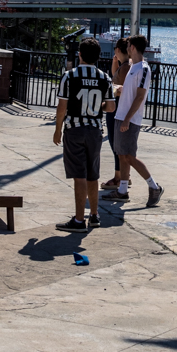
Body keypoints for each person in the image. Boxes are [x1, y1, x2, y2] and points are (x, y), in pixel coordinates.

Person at [53, 36, 116, 233]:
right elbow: (111, 107)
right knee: (93, 174)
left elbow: (62, 108)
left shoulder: (69, 76)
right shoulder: (105, 78)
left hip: (75, 129)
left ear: (79, 54)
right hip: (95, 130)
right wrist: (96, 106)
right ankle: (94, 215)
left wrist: (57, 129)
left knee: (79, 175)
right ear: (98, 57)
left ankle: (79, 220)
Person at [102, 34, 163, 206]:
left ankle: (154, 186)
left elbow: (140, 97)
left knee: (129, 156)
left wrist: (128, 119)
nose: (126, 48)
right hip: (120, 116)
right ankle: (122, 190)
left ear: (133, 48)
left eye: (128, 45)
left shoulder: (143, 69)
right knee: (121, 155)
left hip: (130, 119)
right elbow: (130, 93)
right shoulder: (132, 67)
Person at [100, 36, 130, 191]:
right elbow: (115, 77)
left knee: (115, 143)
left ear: (118, 50)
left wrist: (112, 90)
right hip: (118, 107)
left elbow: (122, 88)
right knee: (117, 143)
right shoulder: (124, 65)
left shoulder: (126, 67)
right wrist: (114, 63)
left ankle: (119, 177)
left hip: (117, 107)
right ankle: (124, 176)